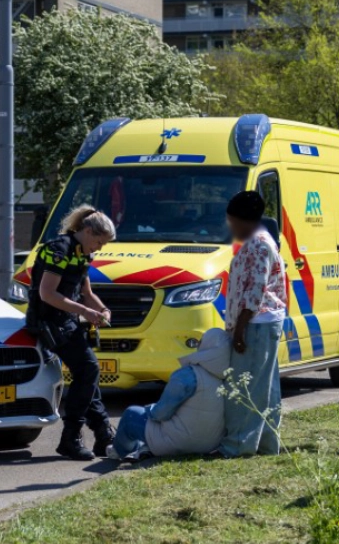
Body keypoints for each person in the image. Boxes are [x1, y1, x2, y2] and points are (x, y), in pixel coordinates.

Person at [26, 205, 117, 461]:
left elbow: (86, 293)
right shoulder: (59, 250)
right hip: (47, 320)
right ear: (87, 231)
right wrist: (85, 312)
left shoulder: (82, 253)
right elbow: (47, 294)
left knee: (87, 374)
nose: (100, 248)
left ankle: (102, 434)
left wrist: (103, 310)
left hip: (67, 320)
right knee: (88, 369)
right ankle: (72, 437)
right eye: (99, 242)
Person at [219, 190, 287, 458]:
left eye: (232, 221)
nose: (230, 226)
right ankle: (267, 444)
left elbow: (255, 290)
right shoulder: (260, 241)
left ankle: (238, 445)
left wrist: (240, 329)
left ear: (244, 220)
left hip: (256, 322)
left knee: (246, 388)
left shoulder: (258, 245)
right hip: (264, 321)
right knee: (266, 388)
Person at [110, 327, 230, 461]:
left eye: (200, 342)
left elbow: (160, 414)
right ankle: (144, 447)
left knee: (131, 415)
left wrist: (150, 409)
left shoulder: (188, 374)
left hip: (180, 442)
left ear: (206, 346)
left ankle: (119, 451)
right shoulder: (227, 378)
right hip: (210, 445)